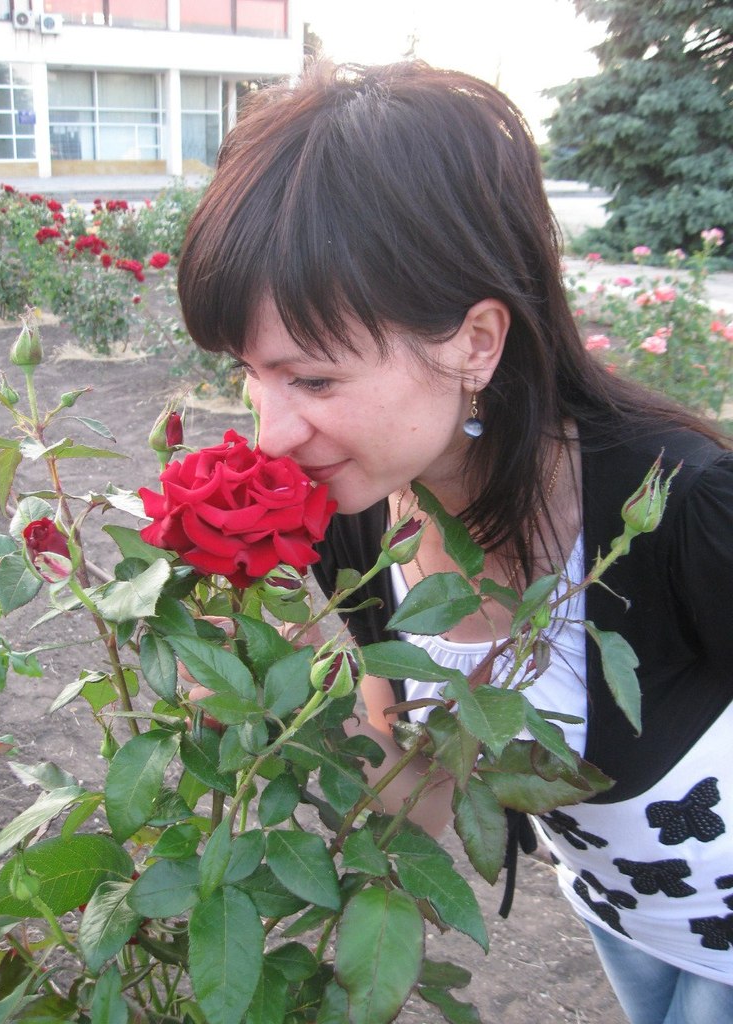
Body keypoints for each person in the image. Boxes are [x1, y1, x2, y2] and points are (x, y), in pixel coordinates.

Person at [177, 61, 733, 1024]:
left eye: (313, 379)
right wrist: (284, 677)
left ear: (477, 341)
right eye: (250, 374)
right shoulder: (359, 517)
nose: (270, 435)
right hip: (626, 921)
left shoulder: (688, 511)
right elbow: (419, 799)